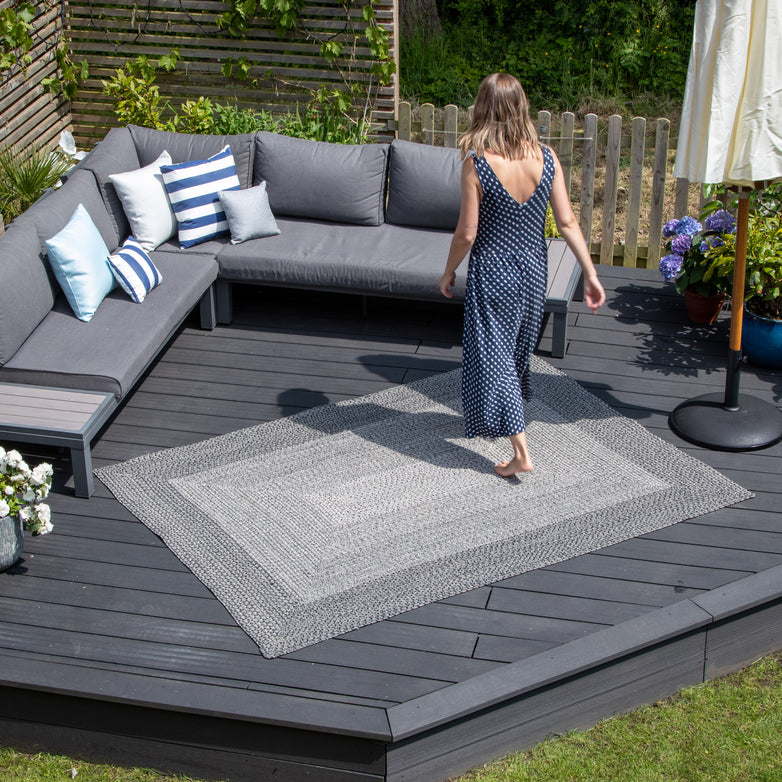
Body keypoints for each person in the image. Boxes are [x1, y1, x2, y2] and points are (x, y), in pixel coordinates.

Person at [439, 73, 606, 477]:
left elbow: (467, 232)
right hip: (534, 271)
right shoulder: (547, 158)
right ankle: (506, 427)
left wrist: (447, 271)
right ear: (521, 108)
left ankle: (521, 452)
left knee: (495, 356)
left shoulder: (476, 164)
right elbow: (567, 222)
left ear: (482, 109)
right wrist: (591, 273)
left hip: (493, 271)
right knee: (512, 356)